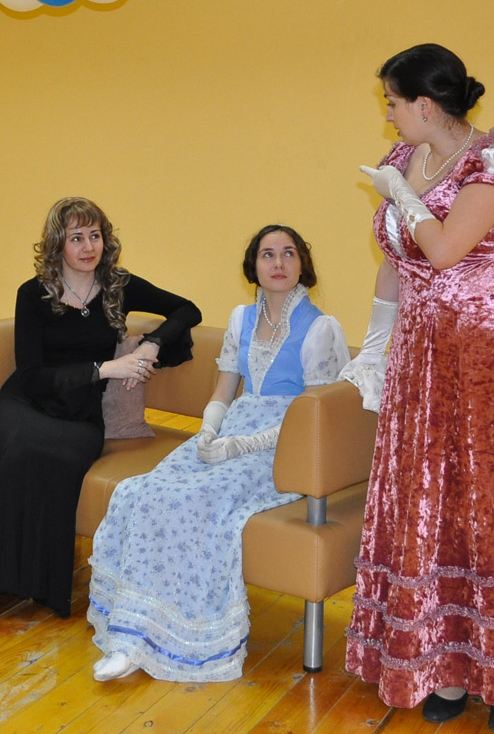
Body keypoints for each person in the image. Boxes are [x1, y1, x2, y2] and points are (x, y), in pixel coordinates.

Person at [342, 44, 494, 731]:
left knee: (483, 501)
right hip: (421, 350)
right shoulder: (404, 158)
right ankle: (440, 660)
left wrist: (401, 195)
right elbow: (396, 259)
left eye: (392, 102)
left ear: (425, 104)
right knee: (427, 501)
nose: (388, 114)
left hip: (484, 349)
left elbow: (443, 249)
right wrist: (373, 349)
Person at [0, 197, 201, 636]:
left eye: (95, 236)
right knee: (17, 452)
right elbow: (32, 376)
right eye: (76, 238)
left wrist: (153, 343)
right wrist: (105, 369)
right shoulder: (33, 294)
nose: (88, 247)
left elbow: (188, 309)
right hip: (26, 405)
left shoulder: (118, 285)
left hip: (80, 420)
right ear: (58, 244)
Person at [87, 225, 350, 682]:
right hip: (231, 429)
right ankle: (131, 632)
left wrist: (243, 445)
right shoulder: (240, 319)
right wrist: (210, 430)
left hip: (283, 447)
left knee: (194, 501)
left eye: (289, 253)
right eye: (268, 254)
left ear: (302, 264)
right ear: (254, 267)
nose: (279, 263)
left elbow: (314, 415)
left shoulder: (320, 329)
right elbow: (225, 390)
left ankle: (171, 637)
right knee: (140, 491)